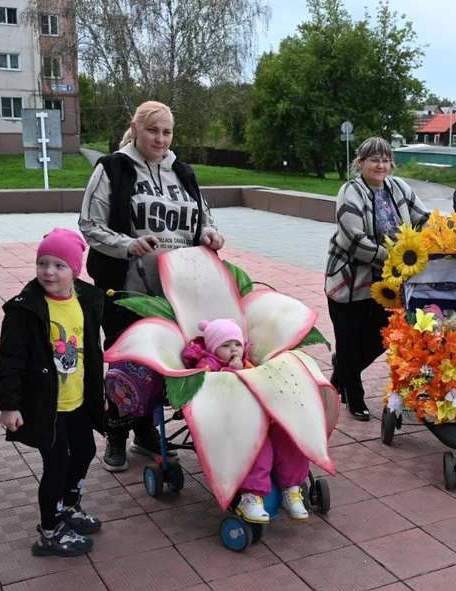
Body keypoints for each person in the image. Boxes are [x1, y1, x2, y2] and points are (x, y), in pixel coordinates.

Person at [79, 100, 225, 472]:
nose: (160, 139)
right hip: (126, 290)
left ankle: (146, 433)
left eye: (167, 132)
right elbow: (90, 225)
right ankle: (116, 435)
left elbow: (203, 217)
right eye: (152, 131)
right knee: (125, 364)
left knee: (162, 363)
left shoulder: (183, 172)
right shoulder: (112, 168)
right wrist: (127, 245)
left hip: (177, 290)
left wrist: (209, 234)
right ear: (135, 127)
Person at [0, 229, 105, 557]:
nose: (49, 272)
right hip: (46, 406)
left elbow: (91, 351)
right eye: (42, 263)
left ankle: (68, 507)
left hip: (78, 400)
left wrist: (100, 391)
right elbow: (9, 360)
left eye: (59, 265)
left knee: (83, 452)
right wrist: (9, 404)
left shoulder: (86, 300)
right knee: (57, 465)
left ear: (75, 271)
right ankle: (50, 532)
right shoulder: (25, 310)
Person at [325, 137, 430, 421]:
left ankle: (343, 371)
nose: (380, 165)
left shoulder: (399, 188)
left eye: (385, 160)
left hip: (389, 284)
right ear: (361, 163)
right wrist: (394, 257)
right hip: (349, 281)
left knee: (381, 337)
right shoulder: (350, 191)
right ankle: (354, 399)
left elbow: (424, 219)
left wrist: (437, 239)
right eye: (374, 160)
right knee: (348, 339)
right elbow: (353, 239)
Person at [181, 318, 310, 522]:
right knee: (258, 447)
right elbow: (215, 391)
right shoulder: (208, 366)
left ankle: (292, 488)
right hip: (234, 422)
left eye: (237, 344)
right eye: (225, 345)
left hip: (262, 416)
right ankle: (251, 497)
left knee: (290, 438)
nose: (234, 349)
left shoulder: (250, 362)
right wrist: (234, 370)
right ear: (214, 349)